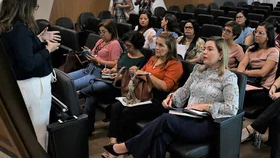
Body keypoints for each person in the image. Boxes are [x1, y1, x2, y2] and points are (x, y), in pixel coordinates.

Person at [103, 36, 240, 158]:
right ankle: (127, 149)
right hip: (188, 117)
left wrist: (205, 106)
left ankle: (126, 147)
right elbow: (184, 91)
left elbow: (232, 108)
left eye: (209, 49)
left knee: (165, 118)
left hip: (207, 124)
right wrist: (171, 98)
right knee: (160, 137)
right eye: (204, 48)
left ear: (221, 54)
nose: (204, 52)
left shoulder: (228, 77)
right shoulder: (198, 70)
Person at [101, 33, 183, 157]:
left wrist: (148, 75)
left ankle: (121, 151)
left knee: (127, 112)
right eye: (156, 44)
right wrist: (135, 70)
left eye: (161, 45)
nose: (157, 48)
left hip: (159, 100)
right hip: (143, 93)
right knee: (116, 107)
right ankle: (112, 144)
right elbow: (140, 73)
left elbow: (166, 86)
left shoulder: (175, 64)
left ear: (170, 48)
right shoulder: (153, 59)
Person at [0, 0, 61, 150]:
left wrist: (38, 39)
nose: (35, 10)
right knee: (39, 130)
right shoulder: (20, 30)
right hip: (34, 85)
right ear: (26, 6)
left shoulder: (7, 25)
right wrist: (48, 49)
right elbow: (28, 63)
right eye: (34, 6)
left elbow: (18, 50)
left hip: (21, 84)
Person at [82, 31, 147, 134]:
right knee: (91, 96)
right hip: (112, 81)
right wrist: (110, 70)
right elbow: (117, 66)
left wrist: (120, 76)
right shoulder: (126, 53)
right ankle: (86, 129)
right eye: (125, 44)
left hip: (121, 88)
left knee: (98, 86)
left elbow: (134, 78)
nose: (126, 47)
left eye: (129, 45)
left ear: (136, 45)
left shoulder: (142, 59)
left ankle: (80, 93)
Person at [68, 19, 123, 97]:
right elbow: (94, 54)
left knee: (71, 85)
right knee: (65, 79)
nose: (101, 35)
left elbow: (115, 63)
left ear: (111, 31)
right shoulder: (101, 41)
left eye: (104, 32)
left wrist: (99, 60)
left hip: (98, 73)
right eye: (100, 32)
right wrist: (89, 53)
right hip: (88, 69)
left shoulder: (115, 44)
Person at [237, 22, 279, 108]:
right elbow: (242, 65)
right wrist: (241, 71)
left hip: (262, 87)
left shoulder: (273, 51)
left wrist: (244, 72)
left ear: (268, 36)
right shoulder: (251, 49)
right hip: (248, 82)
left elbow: (262, 72)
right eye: (256, 32)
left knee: (239, 94)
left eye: (260, 33)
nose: (256, 35)